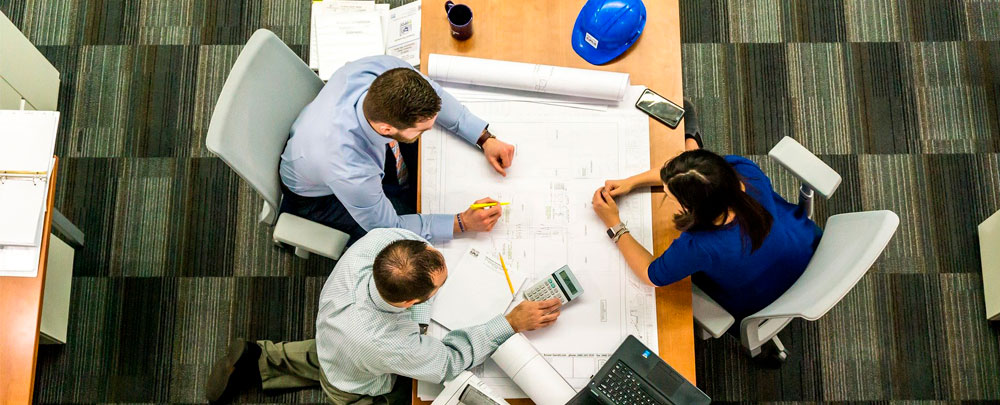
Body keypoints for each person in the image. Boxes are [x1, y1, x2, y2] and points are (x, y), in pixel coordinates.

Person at [205, 228, 562, 404]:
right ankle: (263, 363)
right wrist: (510, 322)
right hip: (355, 381)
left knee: (329, 354)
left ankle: (260, 357)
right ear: (409, 303)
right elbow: (449, 362)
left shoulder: (382, 242)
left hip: (336, 335)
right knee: (349, 381)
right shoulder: (386, 343)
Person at [590, 101, 821, 323]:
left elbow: (651, 275)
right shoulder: (743, 171)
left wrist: (615, 224)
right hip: (804, 246)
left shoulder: (700, 246)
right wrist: (632, 182)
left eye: (671, 197)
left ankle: (692, 140)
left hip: (763, 296)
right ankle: (693, 142)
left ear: (692, 209)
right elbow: (692, 174)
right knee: (686, 118)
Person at [279, 55, 517, 244]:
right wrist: (461, 223)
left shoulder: (384, 70)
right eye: (422, 129)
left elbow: (437, 96)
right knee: (405, 234)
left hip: (322, 140)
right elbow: (390, 228)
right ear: (386, 128)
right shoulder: (350, 170)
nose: (430, 129)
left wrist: (483, 137)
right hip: (319, 197)